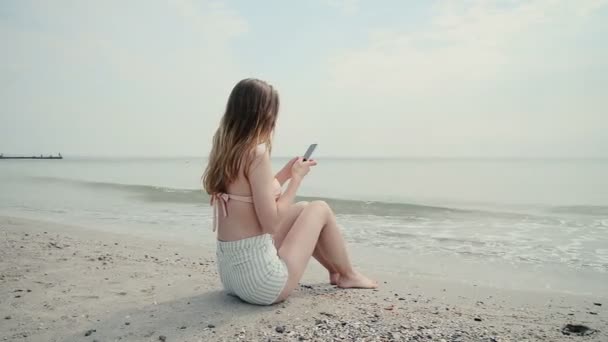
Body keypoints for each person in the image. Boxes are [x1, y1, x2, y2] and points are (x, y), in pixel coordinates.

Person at [202, 78, 377, 306]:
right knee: (320, 208)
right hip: (261, 285)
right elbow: (271, 223)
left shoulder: (226, 148)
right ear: (264, 113)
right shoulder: (256, 153)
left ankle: (336, 272)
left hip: (233, 279)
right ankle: (348, 274)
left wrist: (285, 173)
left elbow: (250, 194)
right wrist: (296, 179)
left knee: (303, 209)